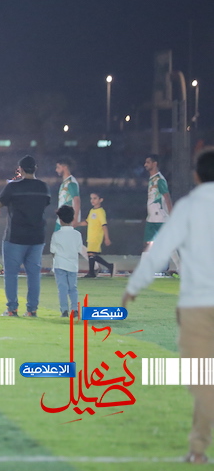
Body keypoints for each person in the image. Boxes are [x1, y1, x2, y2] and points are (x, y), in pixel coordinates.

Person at [122, 149, 214, 464]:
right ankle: (197, 449)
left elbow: (161, 249)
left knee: (201, 379)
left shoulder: (188, 207)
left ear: (197, 176)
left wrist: (134, 287)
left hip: (196, 306)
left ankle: (198, 450)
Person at [0, 155, 50, 317]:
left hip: (15, 237)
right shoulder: (43, 187)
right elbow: (45, 204)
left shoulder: (13, 187)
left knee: (11, 274)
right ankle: (32, 309)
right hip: (37, 236)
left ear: (20, 169)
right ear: (35, 168)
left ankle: (12, 308)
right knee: (34, 275)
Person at [143, 153, 178, 274]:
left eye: (148, 162)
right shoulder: (152, 179)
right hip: (151, 217)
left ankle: (180, 267)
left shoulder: (159, 180)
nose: (145, 165)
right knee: (148, 242)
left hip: (160, 216)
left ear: (155, 163)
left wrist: (171, 215)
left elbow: (167, 197)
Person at [50, 205, 86, 318]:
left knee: (62, 288)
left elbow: (52, 250)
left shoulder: (56, 235)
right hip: (73, 265)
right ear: (72, 218)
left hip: (60, 264)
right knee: (73, 288)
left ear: (60, 219)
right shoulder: (77, 234)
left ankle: (64, 310)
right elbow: (79, 249)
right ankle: (75, 309)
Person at [80, 191, 114, 278]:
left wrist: (106, 238)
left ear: (100, 200)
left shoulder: (100, 211)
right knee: (91, 255)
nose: (92, 200)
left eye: (95, 198)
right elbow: (87, 222)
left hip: (96, 236)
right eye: (91, 198)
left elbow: (104, 225)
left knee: (91, 254)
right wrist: (77, 224)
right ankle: (108, 266)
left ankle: (92, 273)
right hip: (90, 236)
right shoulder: (92, 211)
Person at [55, 157, 80, 229]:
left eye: (58, 167)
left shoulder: (71, 182)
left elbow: (76, 200)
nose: (56, 170)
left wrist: (75, 219)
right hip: (62, 220)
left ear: (65, 167)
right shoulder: (65, 182)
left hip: (69, 222)